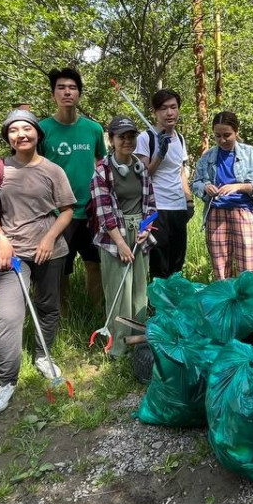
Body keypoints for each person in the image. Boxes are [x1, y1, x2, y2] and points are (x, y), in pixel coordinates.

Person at [0, 109, 76, 413]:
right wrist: (1, 240)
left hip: (50, 251)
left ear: (38, 133)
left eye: (27, 129)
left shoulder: (53, 170)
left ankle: (42, 356)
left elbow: (67, 210)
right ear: (7, 136)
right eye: (13, 130)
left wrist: (49, 238)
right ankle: (7, 380)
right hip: (12, 253)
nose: (21, 134)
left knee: (49, 308)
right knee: (9, 315)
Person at [38, 67, 107, 311]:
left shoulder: (93, 129)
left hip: (90, 210)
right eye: (61, 87)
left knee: (94, 263)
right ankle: (63, 317)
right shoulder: (41, 129)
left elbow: (101, 162)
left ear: (79, 94)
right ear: (53, 94)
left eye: (73, 88)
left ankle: (96, 312)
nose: (67, 92)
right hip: (58, 213)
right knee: (61, 267)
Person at [89, 116, 157, 357]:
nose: (127, 141)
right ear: (111, 140)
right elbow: (104, 211)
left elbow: (150, 204)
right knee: (119, 289)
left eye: (131, 136)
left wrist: (146, 228)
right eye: (121, 137)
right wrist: (120, 243)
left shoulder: (140, 167)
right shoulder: (102, 171)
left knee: (139, 290)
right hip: (114, 235)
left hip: (140, 235)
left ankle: (138, 343)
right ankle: (118, 346)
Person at [193, 111, 253, 279]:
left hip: (244, 212)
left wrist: (240, 187)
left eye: (227, 135)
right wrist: (206, 187)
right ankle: (224, 303)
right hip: (216, 214)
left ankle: (251, 304)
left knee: (249, 266)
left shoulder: (251, 154)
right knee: (220, 267)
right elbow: (196, 182)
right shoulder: (207, 157)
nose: (222, 140)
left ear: (237, 132)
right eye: (218, 136)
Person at [135, 88, 193, 279]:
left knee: (177, 262)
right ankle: (156, 307)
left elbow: (180, 172)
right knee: (159, 263)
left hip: (178, 207)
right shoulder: (146, 138)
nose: (169, 113)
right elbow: (143, 175)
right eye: (163, 108)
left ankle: (174, 305)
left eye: (173, 107)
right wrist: (159, 154)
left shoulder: (180, 138)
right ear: (154, 111)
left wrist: (189, 200)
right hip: (157, 208)